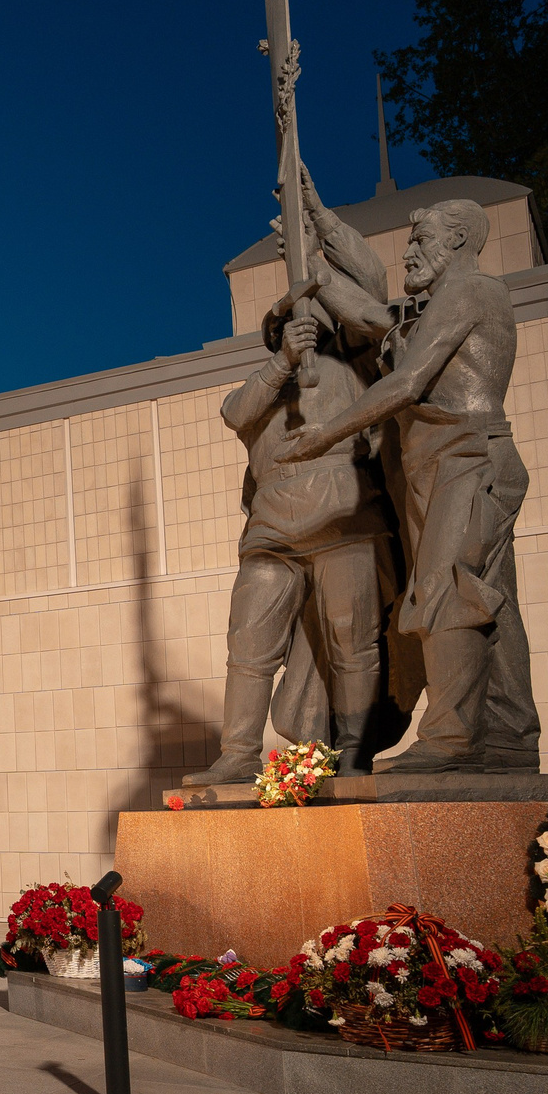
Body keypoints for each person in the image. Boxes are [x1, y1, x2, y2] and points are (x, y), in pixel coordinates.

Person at [274, 196, 539, 773]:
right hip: (436, 468)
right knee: (492, 604)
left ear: (461, 239)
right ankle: (511, 732)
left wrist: (324, 437)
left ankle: (452, 738)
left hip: (467, 459)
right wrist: (313, 245)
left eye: (423, 241)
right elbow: (376, 321)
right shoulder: (434, 310)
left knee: (449, 593)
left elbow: (409, 382)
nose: (410, 252)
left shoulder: (473, 291)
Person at [181, 171, 400, 787]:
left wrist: (320, 222)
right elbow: (235, 413)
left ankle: (356, 752)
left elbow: (376, 284)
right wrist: (283, 361)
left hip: (343, 519)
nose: (299, 330)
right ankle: (237, 753)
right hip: (273, 530)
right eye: (285, 326)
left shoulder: (355, 364)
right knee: (248, 648)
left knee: (352, 644)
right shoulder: (266, 388)